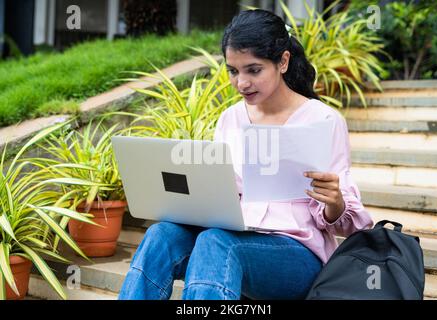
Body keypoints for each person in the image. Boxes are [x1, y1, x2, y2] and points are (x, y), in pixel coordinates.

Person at [118, 9, 373, 300]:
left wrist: (335, 202)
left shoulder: (324, 121)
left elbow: (350, 226)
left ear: (283, 62)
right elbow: (218, 195)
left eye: (254, 70)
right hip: (230, 238)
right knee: (161, 236)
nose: (241, 83)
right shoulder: (230, 119)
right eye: (233, 71)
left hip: (296, 255)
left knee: (217, 243)